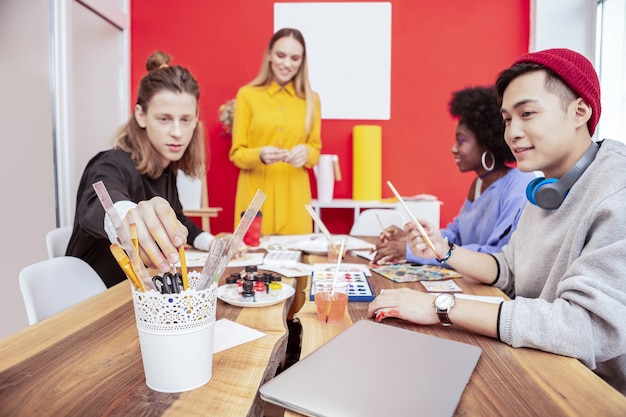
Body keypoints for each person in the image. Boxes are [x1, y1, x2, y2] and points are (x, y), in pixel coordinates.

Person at [367, 48, 626, 394]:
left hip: (593, 391)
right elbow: (509, 270)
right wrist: (444, 251)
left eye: (527, 113)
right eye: (507, 120)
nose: (513, 132)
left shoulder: (616, 188)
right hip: (541, 363)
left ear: (580, 111)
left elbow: (588, 328)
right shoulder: (545, 188)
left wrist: (441, 306)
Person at [67, 51, 216, 288]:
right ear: (141, 116)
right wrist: (128, 217)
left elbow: (177, 218)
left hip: (136, 295)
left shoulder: (166, 170)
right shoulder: (110, 164)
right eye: (165, 119)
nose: (177, 132)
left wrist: (212, 243)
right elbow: (100, 203)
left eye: (185, 120)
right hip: (93, 300)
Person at [373, 86, 535, 266]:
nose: (454, 148)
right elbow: (456, 235)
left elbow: (496, 255)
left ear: (486, 142)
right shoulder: (479, 184)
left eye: (461, 140)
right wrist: (416, 240)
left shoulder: (520, 185)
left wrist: (411, 252)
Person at [230, 27, 322, 235]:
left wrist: (307, 152)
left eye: (295, 58)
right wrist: (259, 154)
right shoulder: (247, 95)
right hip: (255, 195)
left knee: (297, 263)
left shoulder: (311, 100)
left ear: (302, 61)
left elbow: (315, 150)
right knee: (252, 260)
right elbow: (237, 154)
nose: (287, 64)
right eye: (281, 55)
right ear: (269, 55)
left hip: (295, 198)